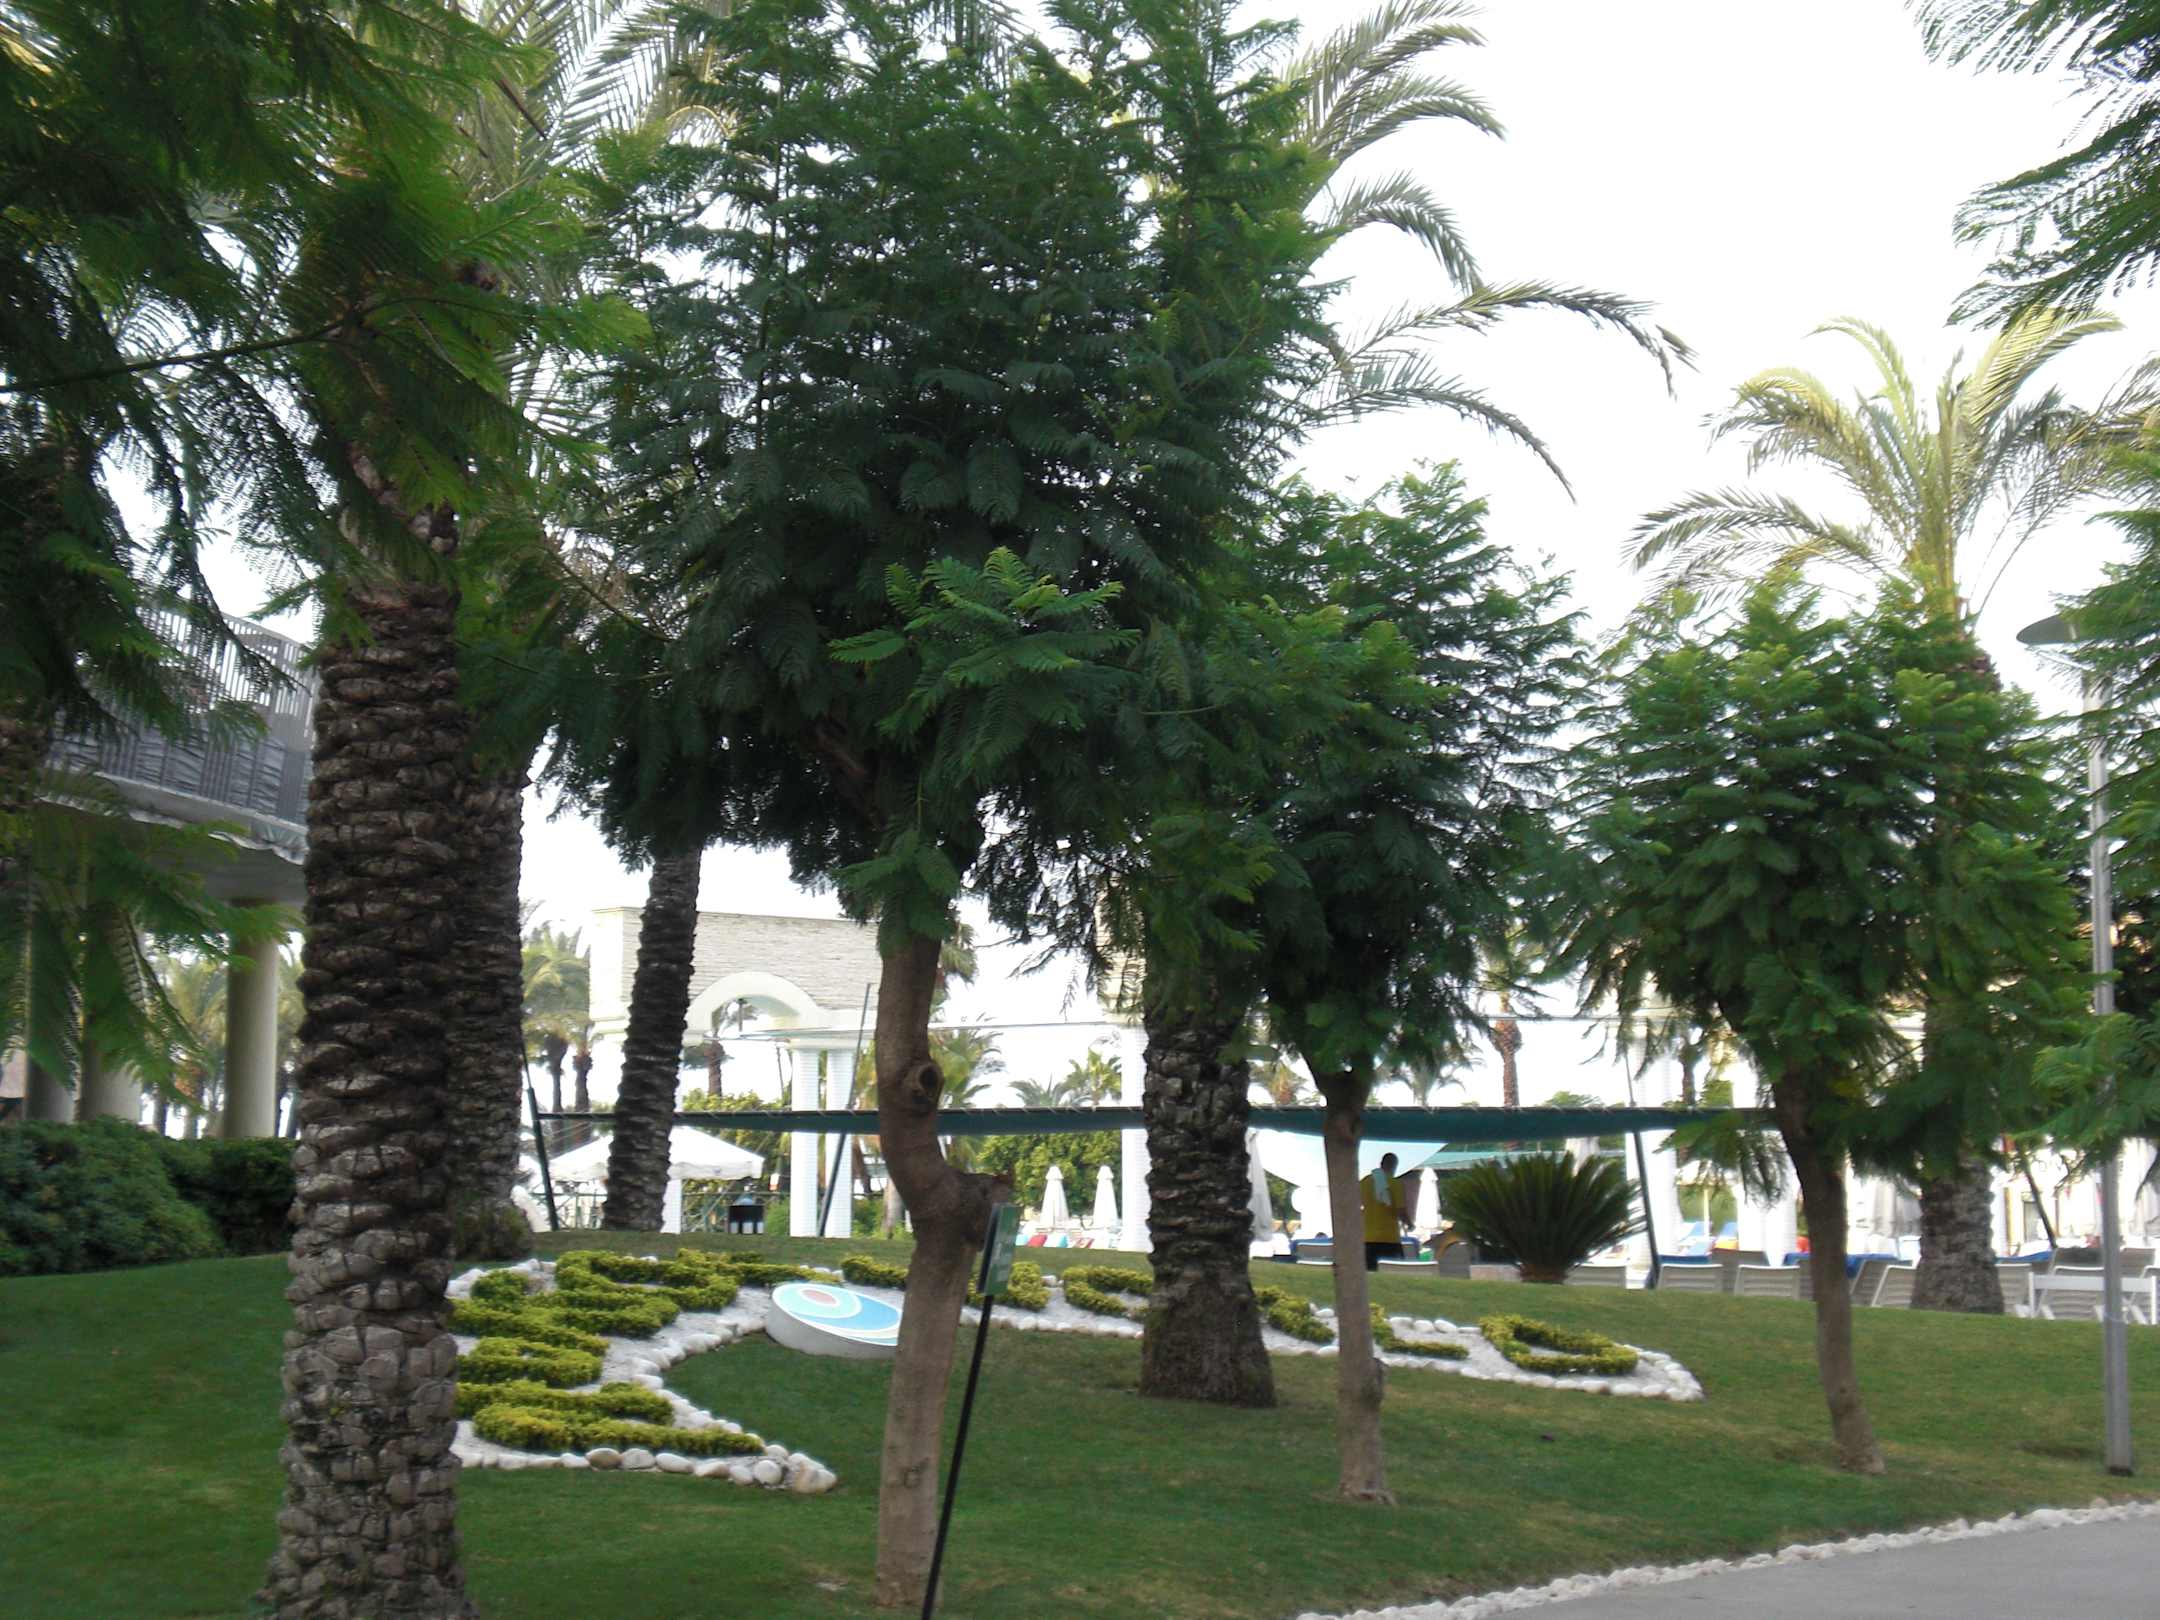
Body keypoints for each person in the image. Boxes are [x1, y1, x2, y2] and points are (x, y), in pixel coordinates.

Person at [1361, 1153, 1410, 1271]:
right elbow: (1401, 1211)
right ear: (1394, 1166)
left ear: (1381, 1164)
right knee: (1394, 1273)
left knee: (1370, 1273)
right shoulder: (1395, 1183)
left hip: (1368, 1238)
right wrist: (1410, 1224)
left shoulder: (1365, 1182)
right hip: (1390, 1239)